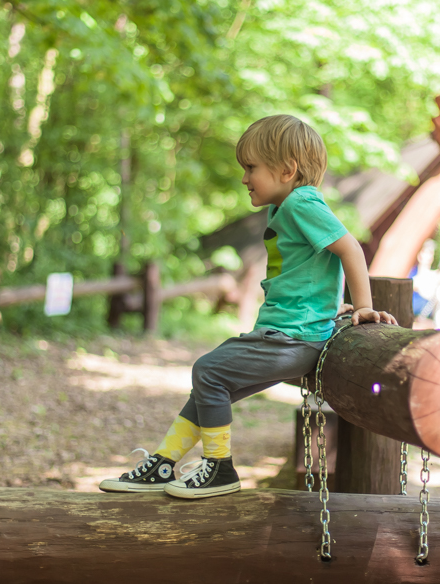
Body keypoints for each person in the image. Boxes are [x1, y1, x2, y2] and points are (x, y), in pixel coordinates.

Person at [99, 115, 397, 500]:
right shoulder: (285, 207)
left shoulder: (300, 201)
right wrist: (326, 301)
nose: (244, 178)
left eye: (251, 168)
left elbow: (348, 248)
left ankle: (219, 468)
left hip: (293, 338)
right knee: (208, 388)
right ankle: (163, 462)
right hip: (285, 334)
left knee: (207, 370)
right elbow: (314, 264)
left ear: (287, 170)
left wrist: (364, 306)